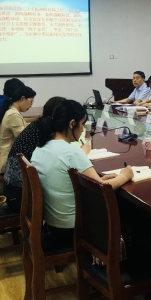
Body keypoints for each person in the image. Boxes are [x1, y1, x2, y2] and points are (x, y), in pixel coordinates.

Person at [32, 100, 133, 250]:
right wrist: (124, 176)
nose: (83, 129)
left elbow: (65, 181)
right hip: (75, 229)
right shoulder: (72, 152)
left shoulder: (40, 148)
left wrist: (98, 179)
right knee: (129, 212)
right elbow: (102, 188)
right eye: (82, 124)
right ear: (72, 124)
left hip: (53, 224)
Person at [2, 96, 66, 213]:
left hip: (13, 189)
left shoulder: (39, 125)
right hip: (21, 196)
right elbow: (58, 157)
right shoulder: (47, 130)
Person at [0, 86, 36, 173]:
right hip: (6, 162)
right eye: (31, 102)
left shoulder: (12, 110)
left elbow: (24, 125)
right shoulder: (13, 115)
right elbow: (25, 139)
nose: (31, 106)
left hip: (5, 157)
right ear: (22, 98)